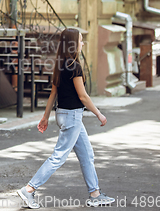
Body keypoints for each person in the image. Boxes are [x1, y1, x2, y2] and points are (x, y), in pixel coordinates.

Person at [16, 28, 115, 209]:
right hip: (72, 117)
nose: (82, 43)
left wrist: (45, 117)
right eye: (80, 40)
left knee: (87, 154)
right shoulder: (74, 66)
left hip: (65, 114)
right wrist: (99, 113)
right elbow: (83, 96)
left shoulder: (61, 64)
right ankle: (29, 189)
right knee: (59, 157)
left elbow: (53, 93)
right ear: (73, 43)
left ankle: (95, 194)